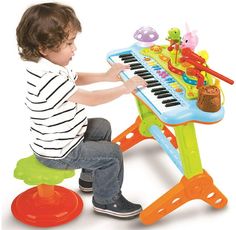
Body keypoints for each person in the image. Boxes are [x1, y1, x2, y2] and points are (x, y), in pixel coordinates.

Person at [16, 2, 147, 218]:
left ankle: (89, 180)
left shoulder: (49, 66)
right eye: (69, 43)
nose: (74, 48)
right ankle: (106, 200)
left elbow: (77, 78)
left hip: (64, 140)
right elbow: (92, 99)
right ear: (44, 48)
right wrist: (125, 88)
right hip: (60, 153)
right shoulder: (48, 79)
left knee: (101, 126)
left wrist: (105, 76)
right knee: (113, 154)